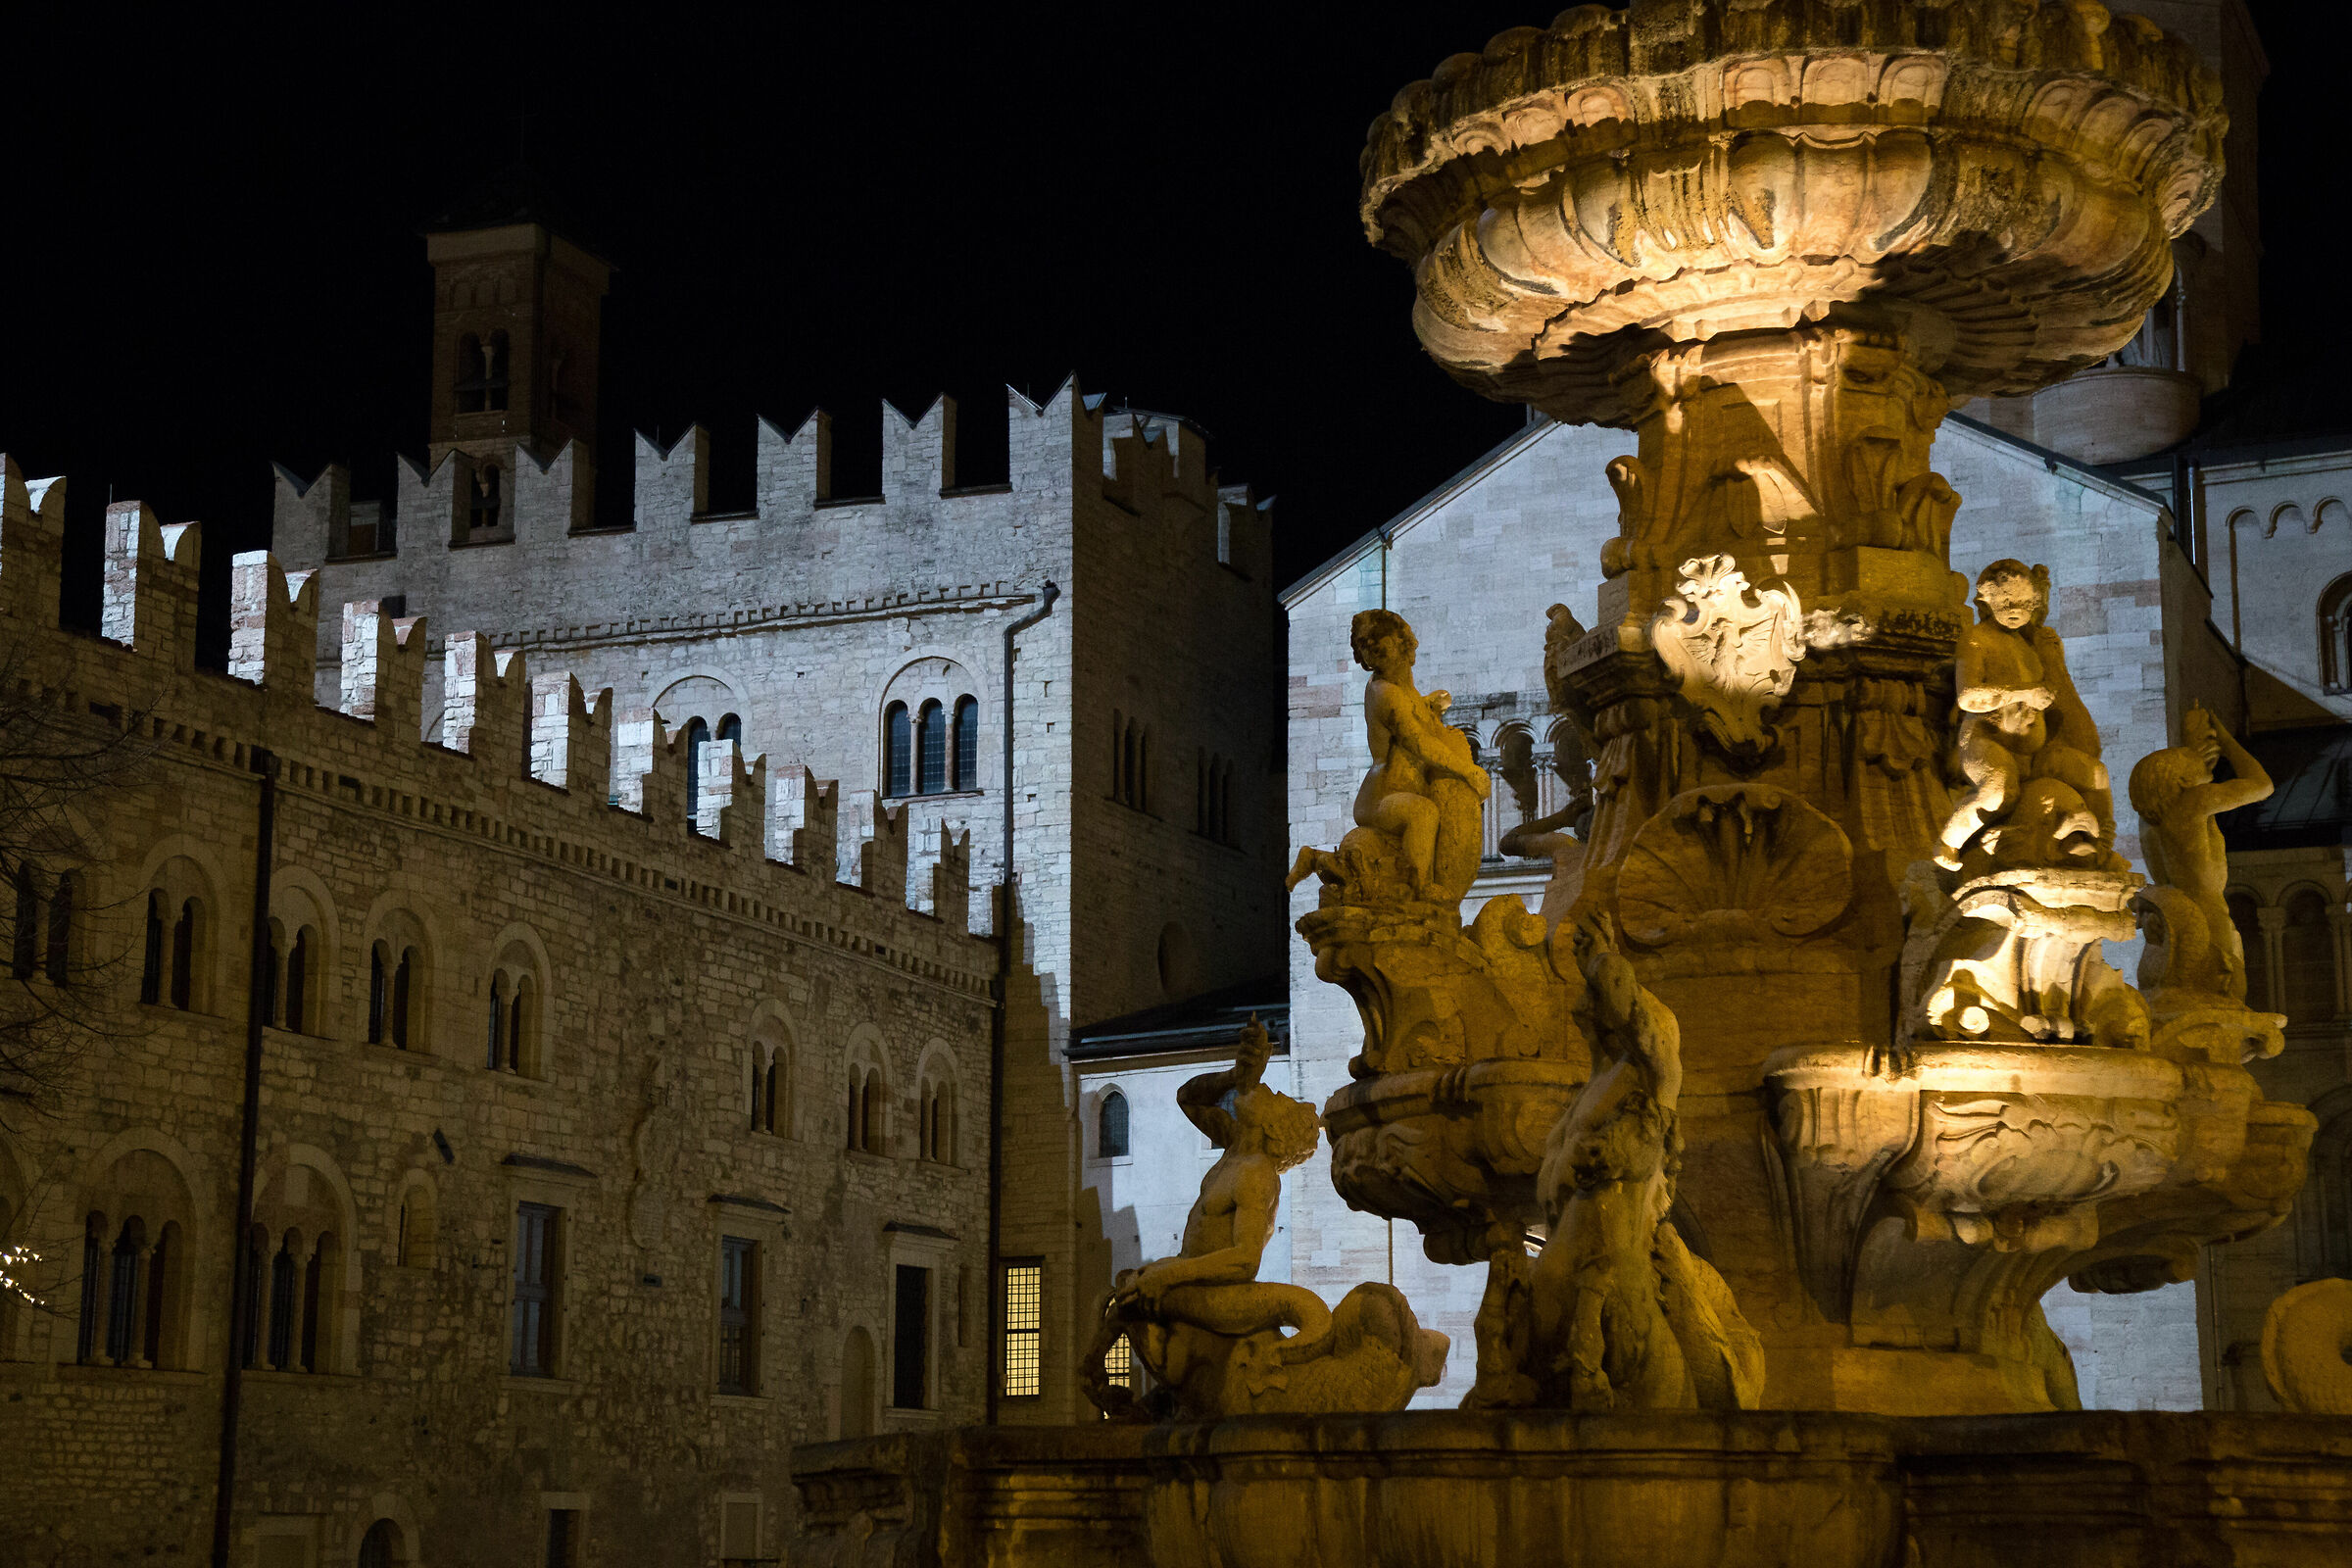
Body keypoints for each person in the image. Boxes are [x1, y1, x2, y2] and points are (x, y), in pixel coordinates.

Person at [2128, 701, 2274, 999]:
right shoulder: (2194, 803)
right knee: (2227, 1004)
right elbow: (2262, 785)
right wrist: (2224, 737)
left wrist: (2193, 748)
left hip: (2172, 921)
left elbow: (2192, 775)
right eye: (2189, 760)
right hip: (2209, 918)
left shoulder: (2151, 821)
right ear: (2183, 781)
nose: (2202, 763)